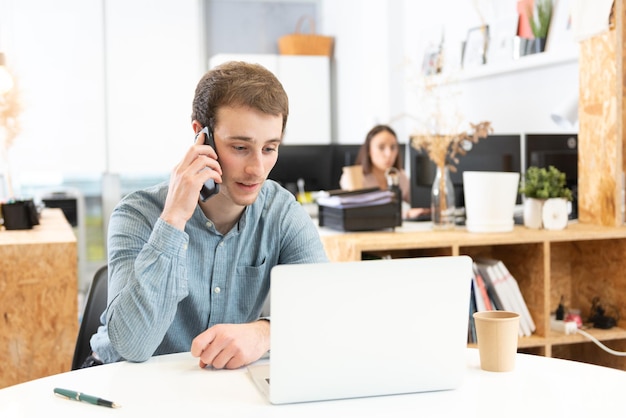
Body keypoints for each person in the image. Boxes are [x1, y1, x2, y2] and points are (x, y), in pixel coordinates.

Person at [89, 61, 329, 370]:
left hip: (211, 387)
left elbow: (324, 309)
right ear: (201, 135)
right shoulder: (137, 213)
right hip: (118, 384)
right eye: (240, 147)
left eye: (269, 148)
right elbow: (132, 347)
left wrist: (265, 333)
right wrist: (174, 219)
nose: (257, 169)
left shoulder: (280, 212)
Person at [339, 124, 429, 219]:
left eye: (393, 147)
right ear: (369, 151)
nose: (389, 154)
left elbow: (419, 203)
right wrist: (405, 214)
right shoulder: (353, 177)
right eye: (381, 147)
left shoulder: (400, 176)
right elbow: (359, 212)